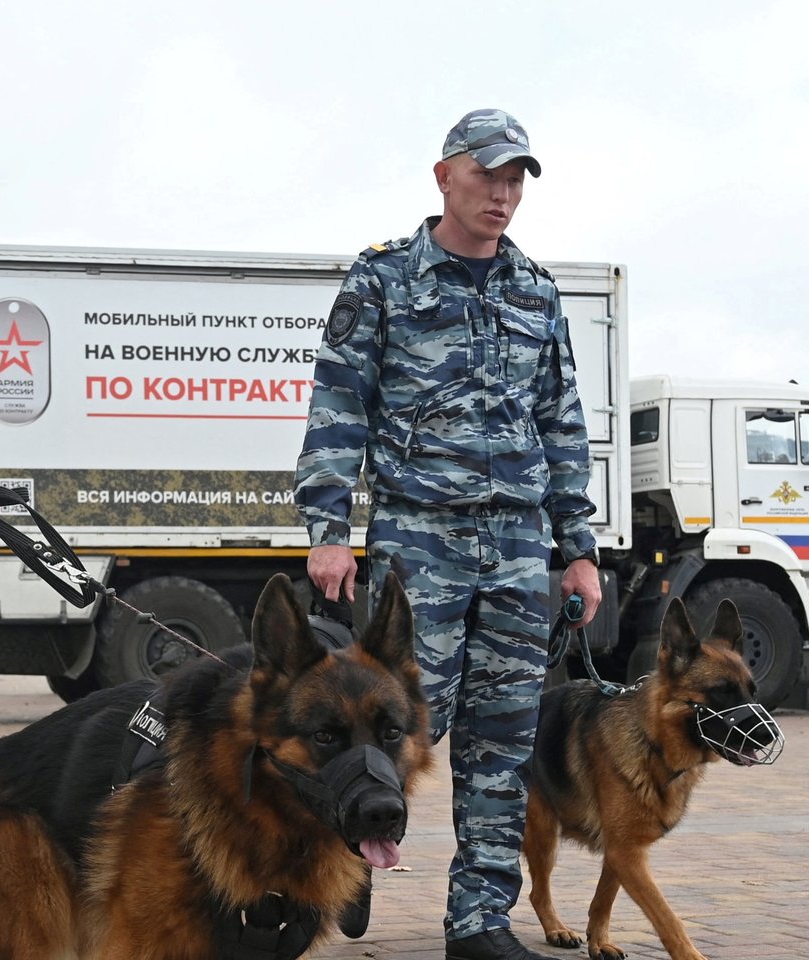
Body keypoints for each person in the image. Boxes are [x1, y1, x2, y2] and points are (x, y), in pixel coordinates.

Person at [294, 109, 603, 960]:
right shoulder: (385, 279)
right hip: (417, 541)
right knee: (387, 729)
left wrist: (576, 549)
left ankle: (478, 924)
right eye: (488, 176)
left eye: (516, 181)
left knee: (503, 741)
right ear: (444, 176)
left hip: (515, 546)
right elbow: (338, 408)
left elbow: (561, 424)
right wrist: (329, 528)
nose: (503, 194)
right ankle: (344, 867)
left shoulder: (536, 291)